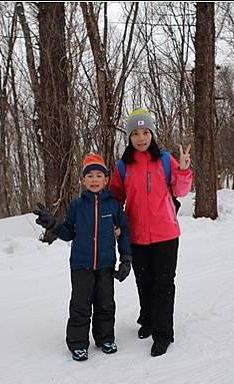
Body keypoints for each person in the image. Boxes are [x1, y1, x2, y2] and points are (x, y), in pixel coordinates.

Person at [109, 108, 193, 357]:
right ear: (129, 137)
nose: (141, 138)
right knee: (143, 282)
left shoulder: (166, 160)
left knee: (164, 284)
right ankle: (147, 319)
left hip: (166, 234)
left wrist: (184, 170)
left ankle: (163, 333)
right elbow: (115, 197)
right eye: (135, 133)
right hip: (135, 235)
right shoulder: (123, 166)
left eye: (146, 132)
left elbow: (180, 191)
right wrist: (111, 220)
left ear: (152, 134)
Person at [33, 153, 133, 362]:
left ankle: (105, 338)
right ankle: (78, 343)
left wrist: (126, 258)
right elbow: (68, 232)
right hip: (81, 265)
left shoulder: (113, 206)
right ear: (83, 180)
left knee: (106, 303)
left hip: (106, 264)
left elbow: (123, 231)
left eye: (99, 175)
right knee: (80, 305)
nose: (94, 179)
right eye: (90, 176)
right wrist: (52, 224)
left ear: (106, 180)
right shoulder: (77, 206)